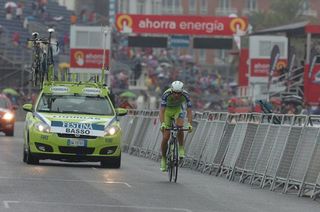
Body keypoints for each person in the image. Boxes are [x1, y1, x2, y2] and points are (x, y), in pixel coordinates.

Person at [159, 80, 192, 172]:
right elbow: (162, 111)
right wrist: (162, 124)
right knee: (166, 137)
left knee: (180, 126)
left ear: (182, 92)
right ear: (171, 91)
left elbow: (189, 111)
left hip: (178, 110)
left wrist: (189, 123)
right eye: (174, 93)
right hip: (167, 112)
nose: (176, 95)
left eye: (179, 93)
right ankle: (164, 158)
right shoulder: (166, 94)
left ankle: (181, 147)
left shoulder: (186, 95)